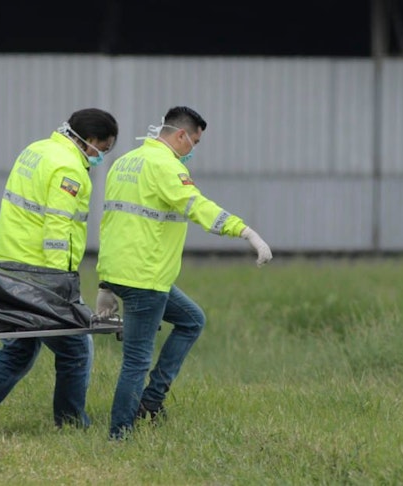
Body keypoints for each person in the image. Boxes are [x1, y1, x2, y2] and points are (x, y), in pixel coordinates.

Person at [94, 106, 273, 440]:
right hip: (145, 278)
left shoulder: (125, 162)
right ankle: (120, 434)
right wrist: (245, 231)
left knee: (192, 320)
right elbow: (197, 206)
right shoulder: (166, 166)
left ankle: (151, 400)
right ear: (180, 135)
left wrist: (105, 281)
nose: (193, 149)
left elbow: (110, 224)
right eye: (195, 142)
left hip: (124, 272)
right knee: (136, 360)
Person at [0, 108, 119, 433]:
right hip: (39, 274)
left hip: (6, 264)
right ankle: (70, 423)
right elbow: (57, 228)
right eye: (103, 150)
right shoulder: (70, 169)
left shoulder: (35, 151)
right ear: (90, 140)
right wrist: (59, 285)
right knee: (76, 346)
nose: (101, 157)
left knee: (20, 346)